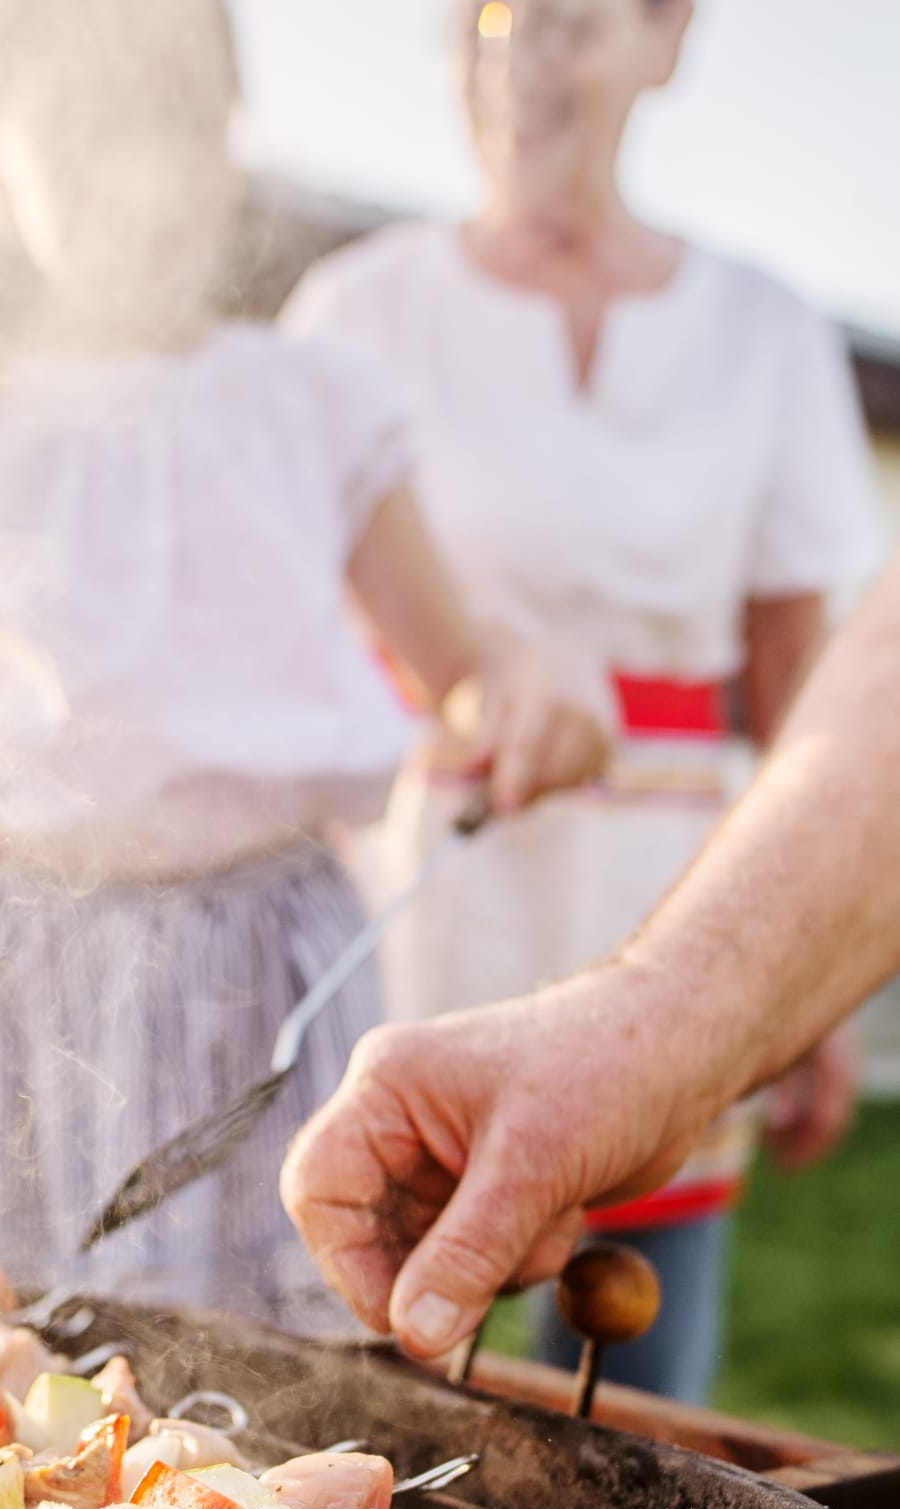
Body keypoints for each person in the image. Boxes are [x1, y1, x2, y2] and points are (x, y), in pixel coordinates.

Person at [0, 0, 607, 1331]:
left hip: (269, 983)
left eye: (176, 123)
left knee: (295, 1384)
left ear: (230, 141)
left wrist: (534, 695)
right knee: (8, 1372)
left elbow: (466, 667)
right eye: (85, 126)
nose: (140, 179)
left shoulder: (310, 403)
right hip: (16, 996)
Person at [283, 0, 881, 1396]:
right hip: (433, 876)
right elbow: (301, 636)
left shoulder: (765, 328)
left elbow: (802, 672)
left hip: (675, 889)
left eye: (568, 19)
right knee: (401, 1321)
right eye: (486, 20)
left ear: (666, 34)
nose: (518, 55)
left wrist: (808, 1001)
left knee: (639, 1363)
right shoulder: (356, 310)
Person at [280, 550, 900, 1364]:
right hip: (450, 857)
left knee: (638, 1316)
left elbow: (797, 648)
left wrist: (694, 1014)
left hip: (682, 854)